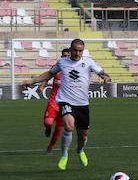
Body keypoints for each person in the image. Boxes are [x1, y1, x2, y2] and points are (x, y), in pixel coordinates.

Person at [22, 39, 111, 170]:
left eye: (80, 51)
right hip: (65, 100)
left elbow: (102, 72)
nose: (77, 53)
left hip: (82, 103)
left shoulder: (88, 62)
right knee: (69, 126)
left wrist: (105, 77)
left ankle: (80, 150)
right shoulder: (63, 62)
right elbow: (49, 73)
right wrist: (33, 81)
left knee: (83, 135)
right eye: (75, 50)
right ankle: (64, 154)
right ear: (70, 50)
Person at [40, 48, 71, 152]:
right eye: (64, 56)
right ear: (62, 57)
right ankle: (48, 128)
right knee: (48, 122)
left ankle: (51, 147)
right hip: (53, 102)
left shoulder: (73, 70)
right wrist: (42, 86)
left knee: (59, 128)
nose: (66, 57)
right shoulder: (57, 68)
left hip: (65, 104)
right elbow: (48, 77)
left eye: (68, 55)